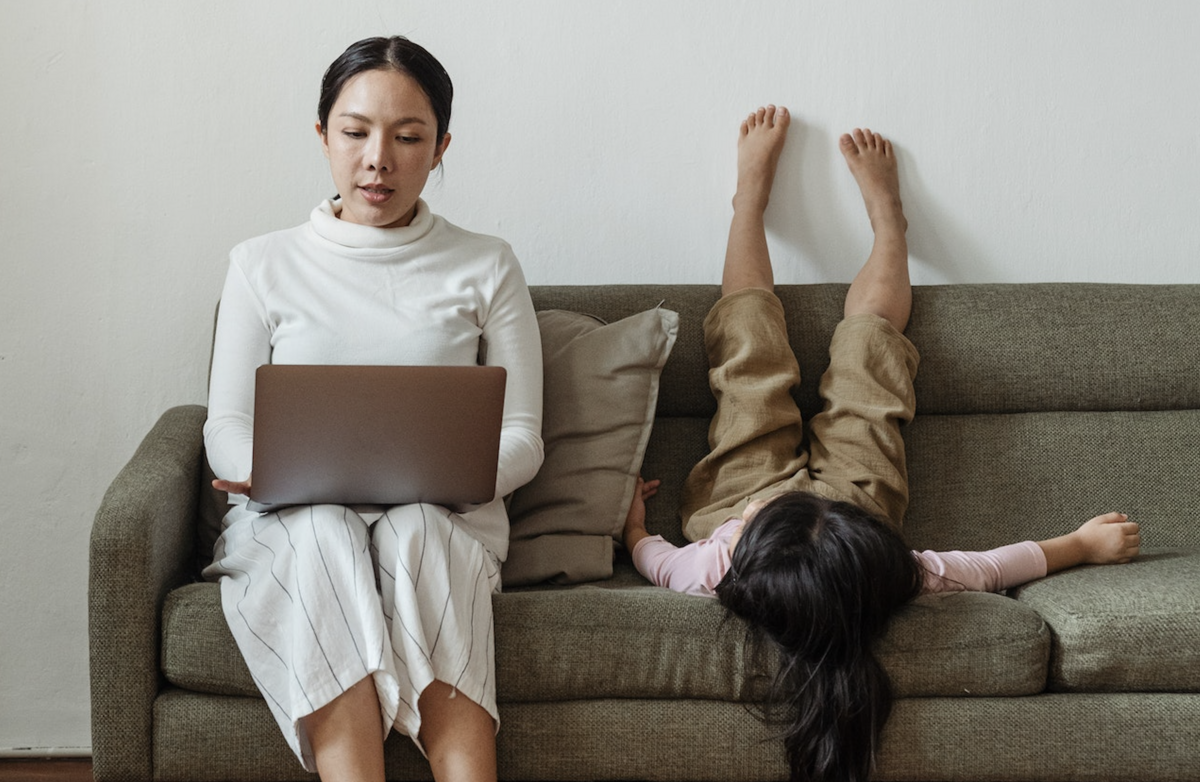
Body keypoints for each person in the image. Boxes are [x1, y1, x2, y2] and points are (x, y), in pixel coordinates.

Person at [622, 106, 1141, 782]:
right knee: (871, 356)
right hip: (854, 505)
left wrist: (633, 524)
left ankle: (747, 201)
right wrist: (1079, 545)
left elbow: (657, 562)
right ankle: (890, 224)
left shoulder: (717, 568)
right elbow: (989, 568)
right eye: (765, 516)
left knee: (747, 355)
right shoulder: (886, 573)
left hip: (735, 498)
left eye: (760, 522)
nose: (774, 503)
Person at [202, 36, 543, 782]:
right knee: (324, 533)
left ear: (441, 145)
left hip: (444, 518)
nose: (378, 159)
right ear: (322, 136)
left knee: (418, 529)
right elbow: (224, 429)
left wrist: (450, 478)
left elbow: (522, 436)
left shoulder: (487, 264)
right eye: (355, 133)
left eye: (408, 137)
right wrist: (266, 469)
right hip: (295, 523)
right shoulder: (261, 264)